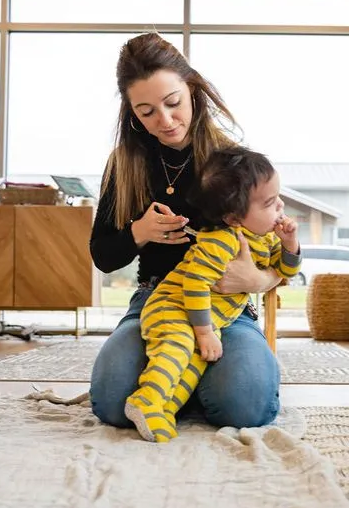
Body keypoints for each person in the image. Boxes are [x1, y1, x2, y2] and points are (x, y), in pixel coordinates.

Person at [89, 32, 285, 431]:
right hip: (155, 302)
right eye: (146, 112)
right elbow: (103, 255)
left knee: (246, 408)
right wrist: (139, 231)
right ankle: (188, 378)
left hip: (224, 310)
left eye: (173, 102)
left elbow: (281, 244)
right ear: (131, 112)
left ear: (193, 89)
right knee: (110, 403)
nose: (165, 121)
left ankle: (185, 380)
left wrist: (259, 278)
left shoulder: (231, 159)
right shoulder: (125, 163)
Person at [126, 147, 301, 442]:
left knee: (193, 365)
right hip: (173, 308)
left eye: (278, 198)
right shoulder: (220, 240)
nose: (280, 206)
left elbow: (286, 270)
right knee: (177, 348)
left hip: (207, 321)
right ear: (233, 218)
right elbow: (194, 284)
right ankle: (146, 400)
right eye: (270, 203)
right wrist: (205, 332)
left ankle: (164, 410)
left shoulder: (268, 237)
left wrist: (291, 244)